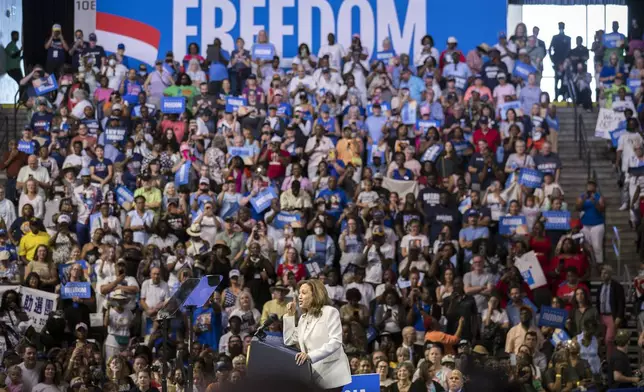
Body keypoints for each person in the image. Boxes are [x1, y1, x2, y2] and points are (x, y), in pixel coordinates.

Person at [283, 279, 351, 391]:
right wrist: (290, 316)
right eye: (299, 293)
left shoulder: (330, 312)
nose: (299, 296)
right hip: (312, 376)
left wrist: (310, 356)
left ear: (315, 295)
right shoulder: (303, 319)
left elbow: (336, 342)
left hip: (331, 373)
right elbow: (289, 340)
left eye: (304, 293)